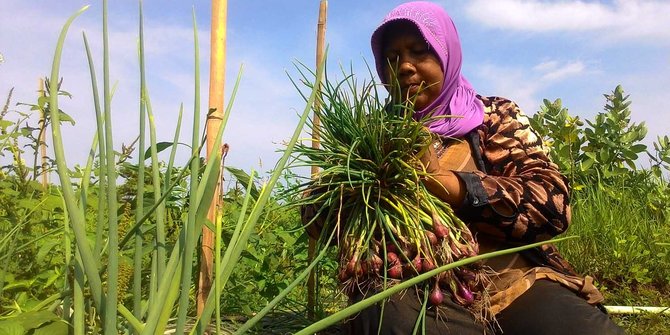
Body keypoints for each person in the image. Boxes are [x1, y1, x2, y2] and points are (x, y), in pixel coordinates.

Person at [303, 2, 626, 334]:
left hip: (511, 284)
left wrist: (447, 183)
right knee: (385, 310)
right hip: (417, 293)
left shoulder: (493, 116)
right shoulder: (368, 137)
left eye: (419, 52)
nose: (405, 67)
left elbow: (553, 203)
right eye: (393, 58)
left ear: (446, 55)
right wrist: (357, 186)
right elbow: (313, 216)